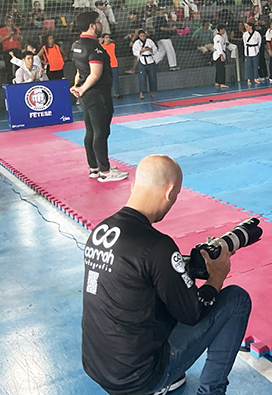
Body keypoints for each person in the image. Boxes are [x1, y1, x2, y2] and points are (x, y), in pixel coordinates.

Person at [82, 155, 251, 395]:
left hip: (98, 366)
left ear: (134, 186)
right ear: (170, 192)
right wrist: (217, 276)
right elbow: (193, 313)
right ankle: (211, 391)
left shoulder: (101, 230)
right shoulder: (157, 246)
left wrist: (184, 270)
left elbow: (137, 281)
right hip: (138, 378)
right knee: (237, 299)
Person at [70, 11, 128, 183]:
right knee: (101, 132)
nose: (101, 25)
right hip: (97, 94)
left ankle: (94, 168)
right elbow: (95, 75)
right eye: (98, 22)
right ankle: (105, 171)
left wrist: (78, 86)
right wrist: (81, 89)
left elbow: (80, 71)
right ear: (92, 26)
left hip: (87, 95)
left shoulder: (76, 44)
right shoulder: (94, 48)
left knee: (91, 130)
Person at [132, 29, 158, 99]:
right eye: (141, 36)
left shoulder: (150, 41)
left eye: (143, 36)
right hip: (142, 60)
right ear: (139, 36)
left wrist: (150, 50)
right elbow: (134, 52)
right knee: (142, 77)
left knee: (152, 76)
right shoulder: (136, 43)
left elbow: (155, 49)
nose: (142, 37)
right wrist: (141, 51)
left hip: (150, 60)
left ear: (145, 35)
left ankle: (152, 92)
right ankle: (141, 93)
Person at [101, 33, 121, 99]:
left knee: (115, 79)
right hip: (106, 65)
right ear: (103, 38)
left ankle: (117, 93)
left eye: (108, 37)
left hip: (114, 64)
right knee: (106, 80)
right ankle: (106, 94)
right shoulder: (101, 46)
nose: (108, 39)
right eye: (106, 37)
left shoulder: (112, 45)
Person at [242, 21, 261, 87]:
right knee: (248, 66)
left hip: (255, 50)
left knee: (255, 65)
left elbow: (259, 42)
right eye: (245, 27)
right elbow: (244, 43)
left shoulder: (257, 34)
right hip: (248, 51)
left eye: (247, 26)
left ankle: (255, 78)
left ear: (251, 27)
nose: (246, 28)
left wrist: (257, 48)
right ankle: (248, 79)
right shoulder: (245, 34)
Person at [213, 25, 229, 89]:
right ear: (221, 29)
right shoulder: (218, 37)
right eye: (224, 29)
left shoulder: (220, 37)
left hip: (219, 54)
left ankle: (217, 82)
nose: (224, 30)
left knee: (218, 69)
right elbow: (219, 46)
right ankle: (222, 83)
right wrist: (221, 55)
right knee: (221, 69)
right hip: (219, 54)